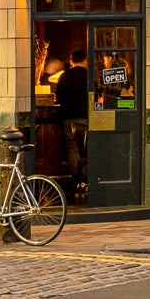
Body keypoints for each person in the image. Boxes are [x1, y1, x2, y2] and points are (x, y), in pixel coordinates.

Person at [55, 49, 89, 198]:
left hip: (69, 119)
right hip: (87, 117)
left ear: (71, 61)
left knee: (73, 150)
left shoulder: (64, 76)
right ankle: (86, 180)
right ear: (86, 60)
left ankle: (75, 180)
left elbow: (59, 97)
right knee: (87, 150)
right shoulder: (89, 75)